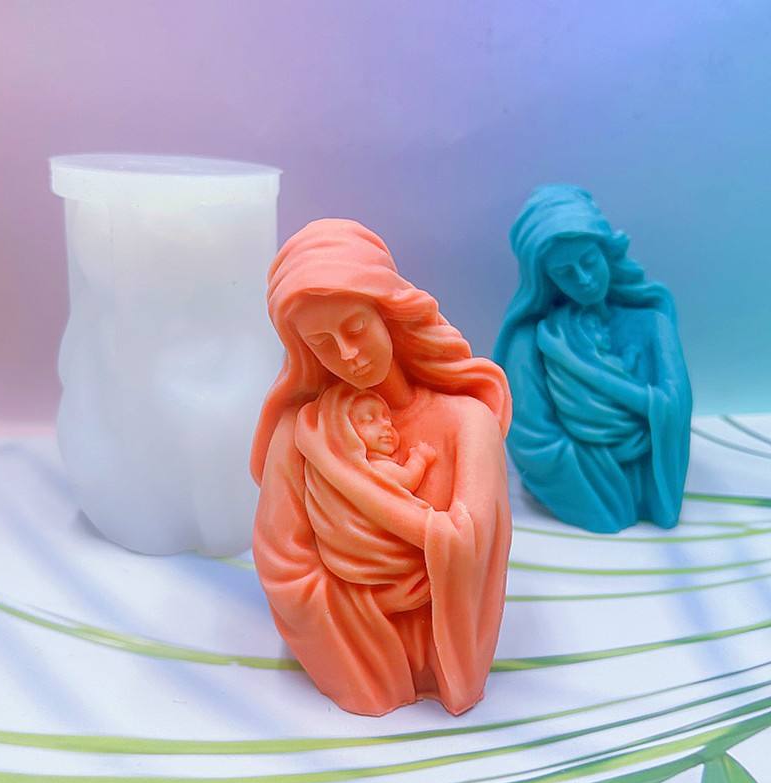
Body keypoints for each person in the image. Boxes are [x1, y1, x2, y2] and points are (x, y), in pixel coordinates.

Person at [251, 218, 512, 716]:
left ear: (388, 314)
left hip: (442, 639)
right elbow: (283, 564)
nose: (348, 355)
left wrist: (422, 558)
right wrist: (371, 603)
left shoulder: (467, 422)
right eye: (322, 343)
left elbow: (477, 543)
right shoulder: (302, 433)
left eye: (356, 328)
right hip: (358, 644)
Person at [493, 185, 691, 533]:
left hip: (647, 473)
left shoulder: (651, 322)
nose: (583, 279)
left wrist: (591, 374)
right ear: (547, 279)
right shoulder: (532, 341)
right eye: (565, 272)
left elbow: (674, 406)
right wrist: (600, 482)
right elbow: (532, 441)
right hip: (584, 482)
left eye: (588, 261)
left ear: (607, 252)